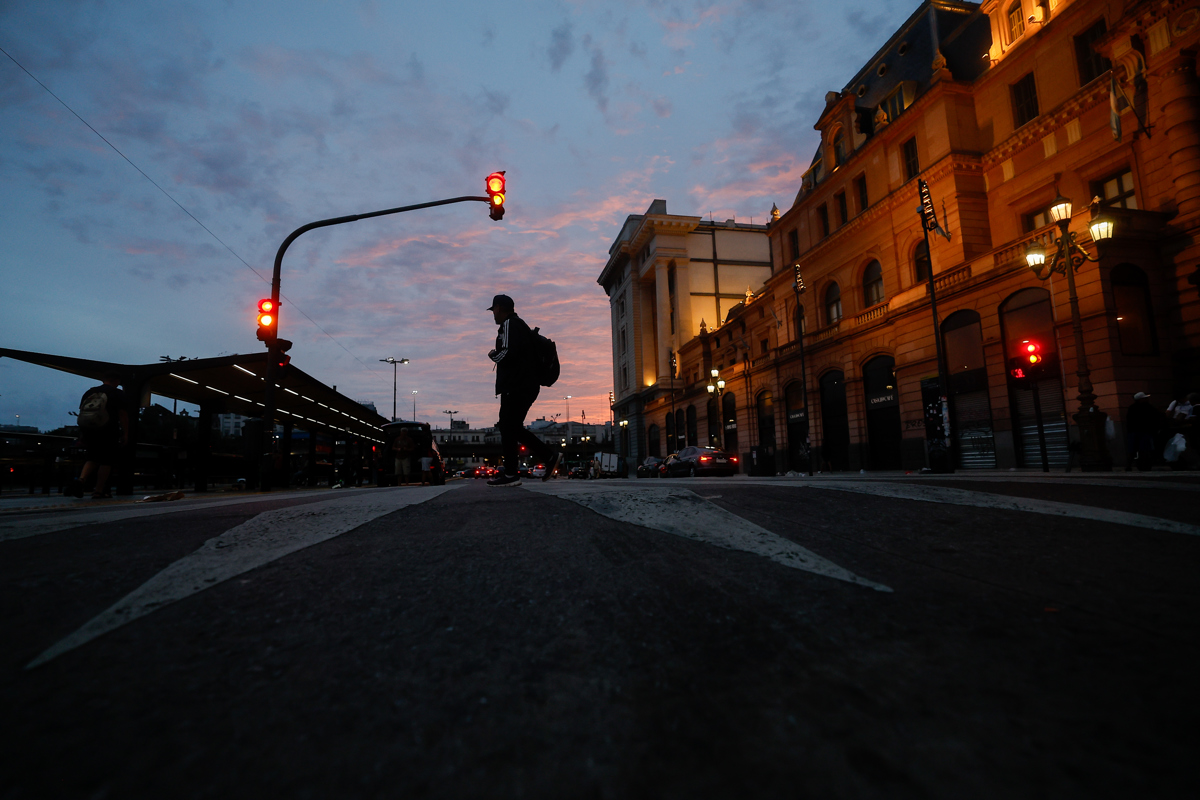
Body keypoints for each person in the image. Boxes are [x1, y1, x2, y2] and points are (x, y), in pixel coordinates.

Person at [485, 294, 561, 487]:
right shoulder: (519, 326)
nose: (493, 314)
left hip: (517, 384)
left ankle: (517, 471)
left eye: (493, 309)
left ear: (500, 308)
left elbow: (509, 353)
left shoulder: (511, 324)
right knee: (511, 427)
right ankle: (522, 468)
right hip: (523, 384)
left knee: (508, 426)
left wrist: (493, 355)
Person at [71, 373, 129, 499]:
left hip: (90, 430)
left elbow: (82, 411)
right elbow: (122, 414)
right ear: (117, 380)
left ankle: (81, 480)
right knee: (106, 461)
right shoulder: (117, 393)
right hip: (108, 429)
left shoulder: (90, 392)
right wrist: (125, 433)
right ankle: (99, 491)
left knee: (92, 457)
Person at [1124, 391, 1162, 471]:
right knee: (1144, 449)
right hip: (1144, 431)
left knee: (1132, 450)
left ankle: (1130, 466)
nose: (1147, 399)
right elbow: (1156, 417)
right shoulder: (1148, 407)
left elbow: (1129, 420)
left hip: (1133, 431)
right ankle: (1144, 465)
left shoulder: (1132, 408)